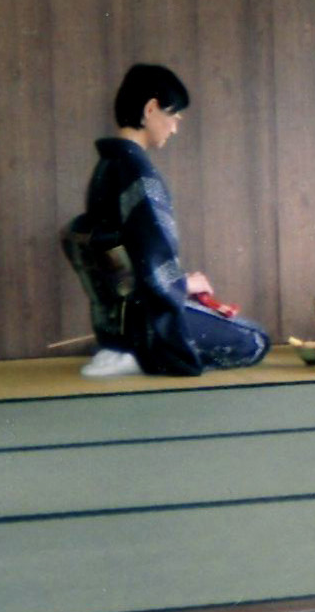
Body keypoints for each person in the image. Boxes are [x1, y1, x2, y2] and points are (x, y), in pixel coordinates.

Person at [78, 63, 271, 378]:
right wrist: (184, 284)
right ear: (151, 109)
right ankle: (142, 356)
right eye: (174, 116)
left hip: (112, 323)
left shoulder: (107, 167)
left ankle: (122, 348)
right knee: (255, 339)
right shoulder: (140, 175)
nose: (175, 127)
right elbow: (153, 262)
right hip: (148, 322)